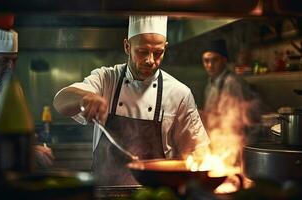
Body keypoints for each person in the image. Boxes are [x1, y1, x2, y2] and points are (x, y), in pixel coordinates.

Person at [53, 15, 210, 185]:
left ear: (165, 47)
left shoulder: (180, 94)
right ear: (127, 46)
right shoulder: (107, 79)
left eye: (158, 53)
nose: (150, 60)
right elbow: (60, 101)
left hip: (156, 194)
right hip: (105, 193)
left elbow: (198, 151)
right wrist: (86, 98)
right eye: (142, 52)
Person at [0, 21, 54, 169]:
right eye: (3, 60)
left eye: (13, 60)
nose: (9, 66)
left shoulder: (7, 86)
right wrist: (7, 149)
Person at [201, 39, 262, 151]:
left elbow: (243, 120)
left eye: (215, 60)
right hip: (218, 142)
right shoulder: (210, 84)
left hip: (236, 144)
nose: (210, 65)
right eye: (206, 60)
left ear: (224, 60)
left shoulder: (233, 83)